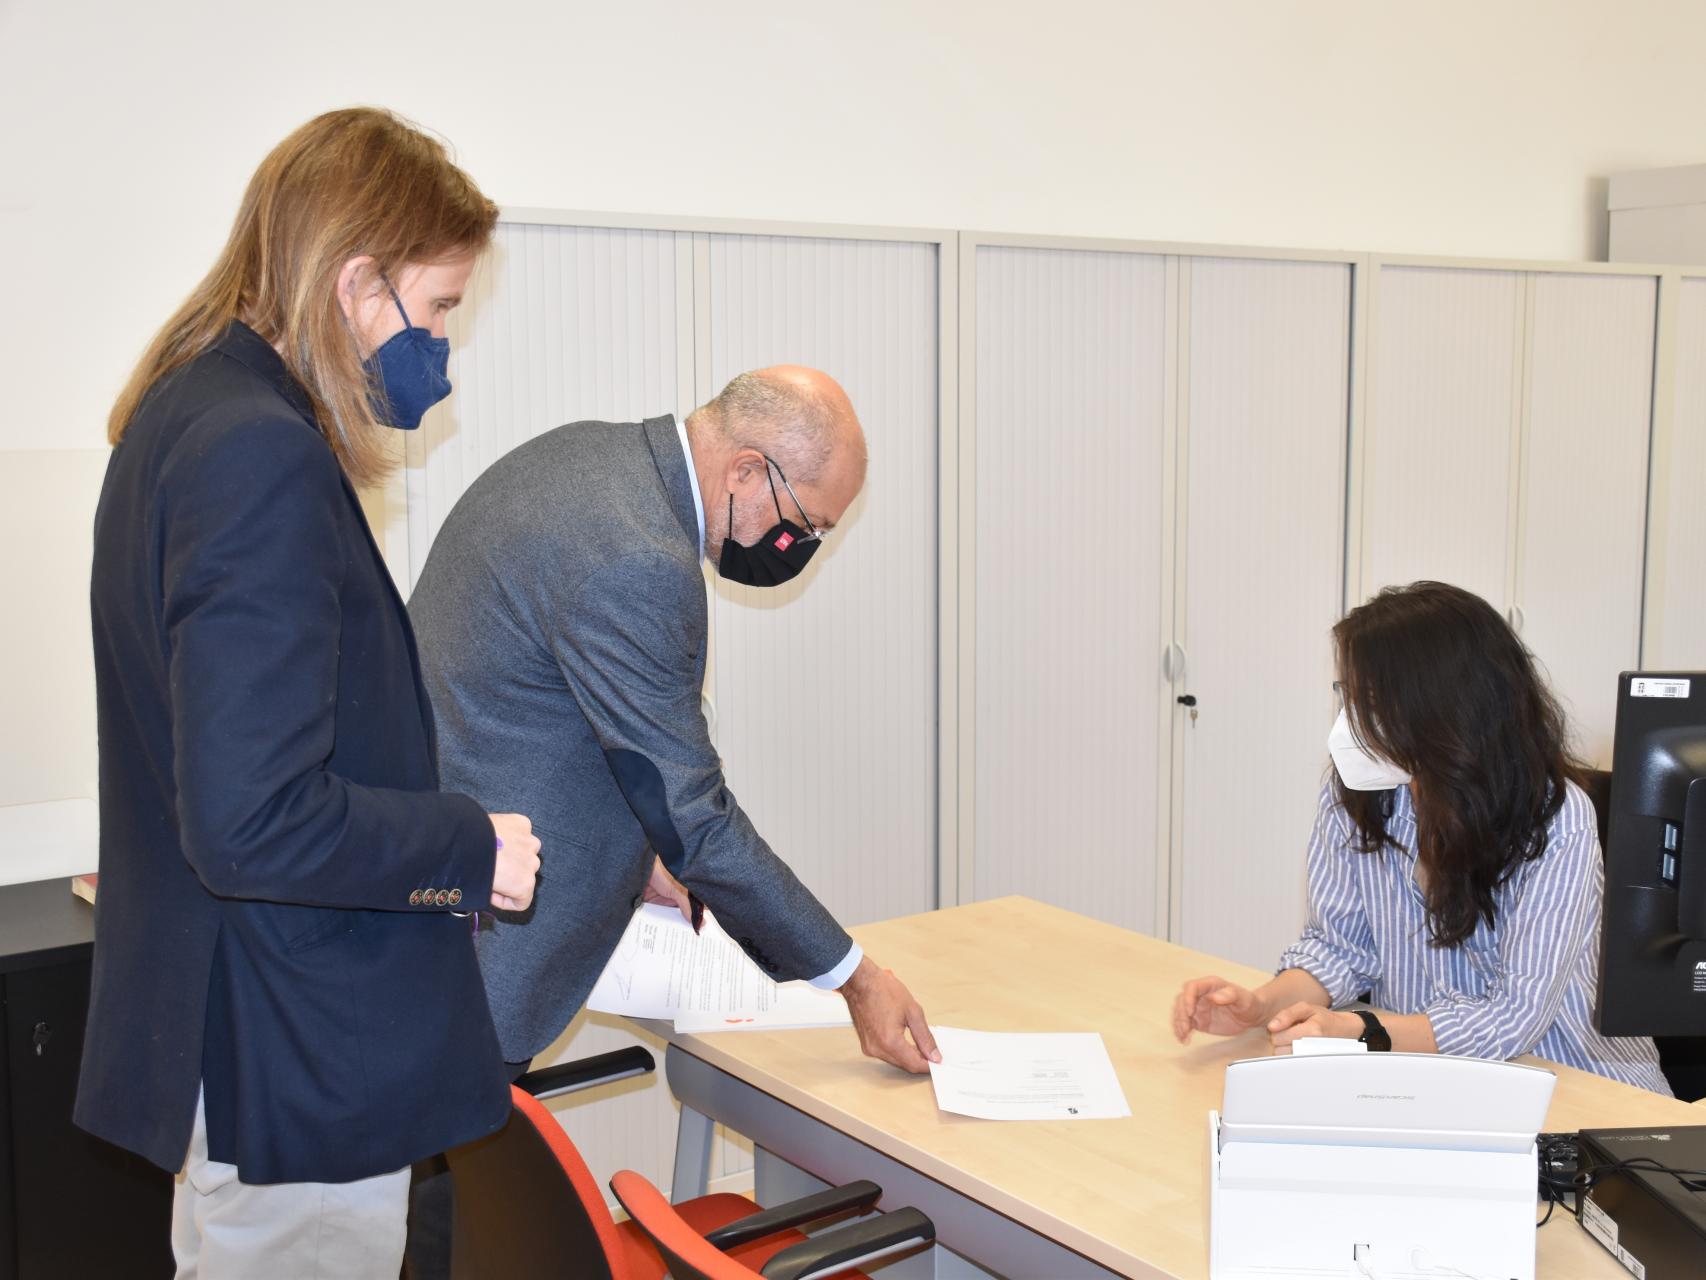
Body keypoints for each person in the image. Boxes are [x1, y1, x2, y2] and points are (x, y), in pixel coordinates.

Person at [76, 108, 543, 1278]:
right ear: (355, 283)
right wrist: (464, 841)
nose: (441, 341)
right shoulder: (257, 451)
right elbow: (251, 817)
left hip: (242, 1037)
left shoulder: (181, 416)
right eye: (437, 308)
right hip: (297, 1053)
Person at [410, 368, 939, 1077]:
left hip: (430, 887)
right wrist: (855, 977)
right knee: (447, 1177)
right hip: (475, 950)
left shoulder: (584, 458)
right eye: (806, 525)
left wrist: (645, 851)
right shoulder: (637, 559)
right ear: (747, 471)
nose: (801, 549)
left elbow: (556, 712)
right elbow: (695, 815)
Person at [1171, 581, 1671, 1094]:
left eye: (1368, 699)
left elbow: (1514, 1016)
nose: (1350, 722)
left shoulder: (1555, 817)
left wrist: (1363, 1031)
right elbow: (1338, 947)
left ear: (1439, 706)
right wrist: (1262, 1006)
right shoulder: (1359, 794)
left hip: (1575, 1081)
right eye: (1345, 695)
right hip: (1425, 1074)